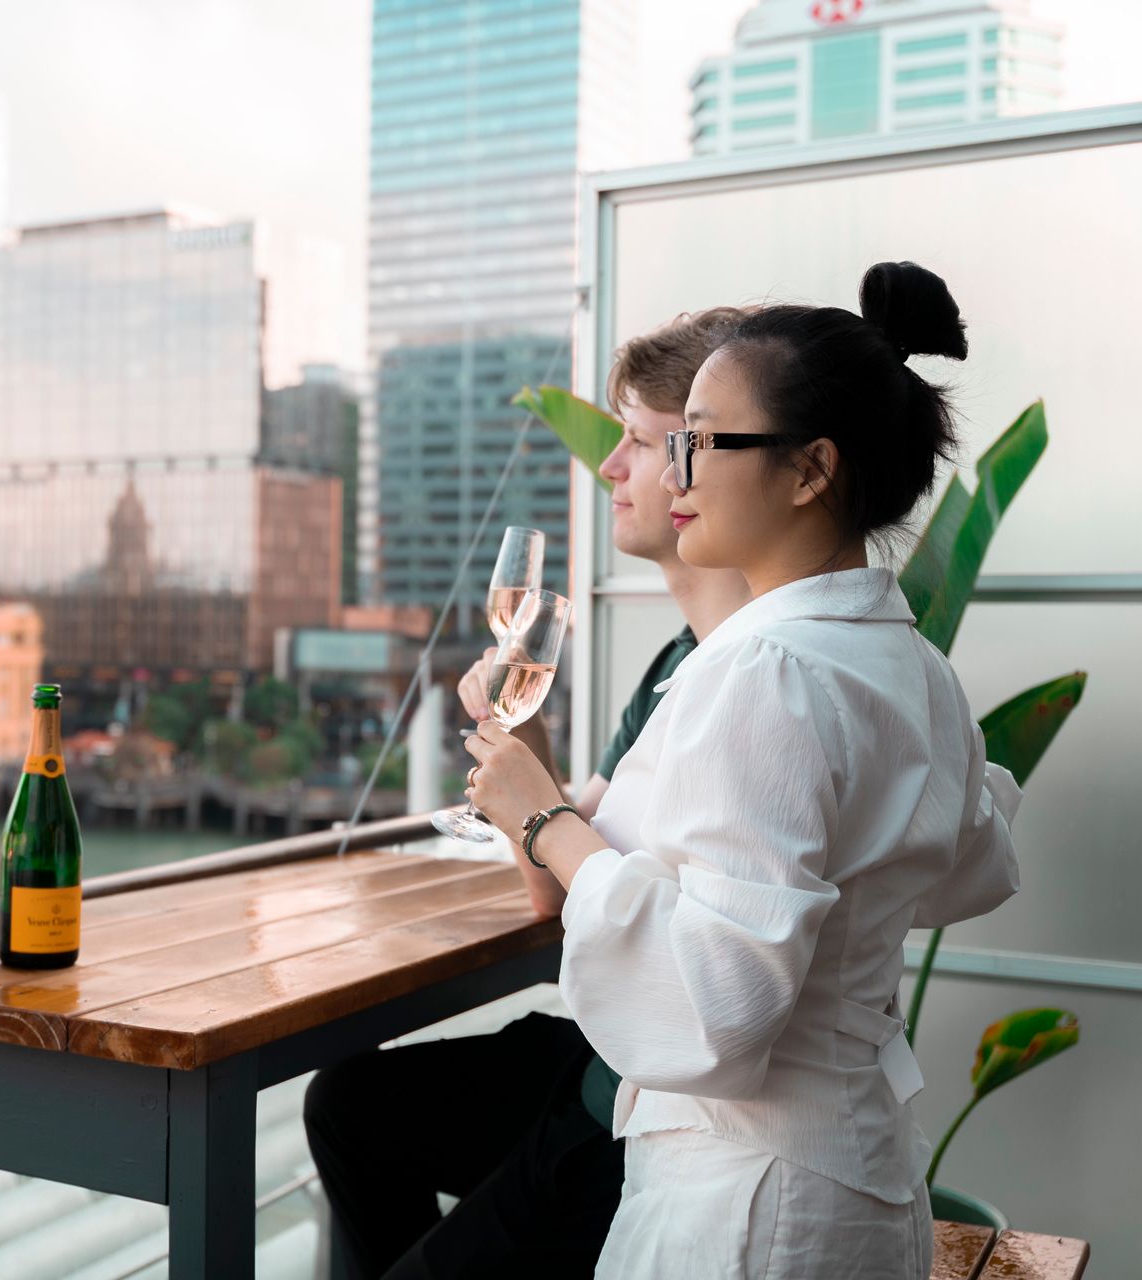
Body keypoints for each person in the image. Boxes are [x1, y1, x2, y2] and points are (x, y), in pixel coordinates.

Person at [466, 262, 1021, 1277]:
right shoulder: (905, 659)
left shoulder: (769, 669)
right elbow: (970, 864)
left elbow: (714, 1000)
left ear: (809, 470)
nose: (672, 473)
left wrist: (547, 821)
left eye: (698, 441)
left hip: (750, 1201)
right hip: (858, 1175)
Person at [303, 305, 755, 1279]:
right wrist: (527, 754)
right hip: (597, 1061)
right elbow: (554, 893)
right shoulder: (680, 657)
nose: (609, 469)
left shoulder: (752, 680)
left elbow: (712, 974)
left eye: (634, 441)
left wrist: (538, 803)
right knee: (349, 1102)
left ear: (707, 461)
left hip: (645, 1110)